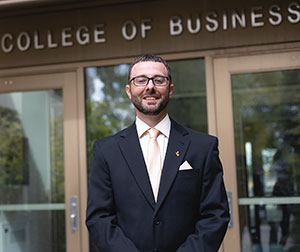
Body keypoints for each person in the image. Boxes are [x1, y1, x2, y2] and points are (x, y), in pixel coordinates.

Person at [86, 54, 230, 252]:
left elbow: (215, 215)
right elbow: (99, 218)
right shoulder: (106, 151)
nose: (150, 86)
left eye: (158, 80)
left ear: (170, 89)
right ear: (129, 91)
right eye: (141, 80)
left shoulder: (202, 147)